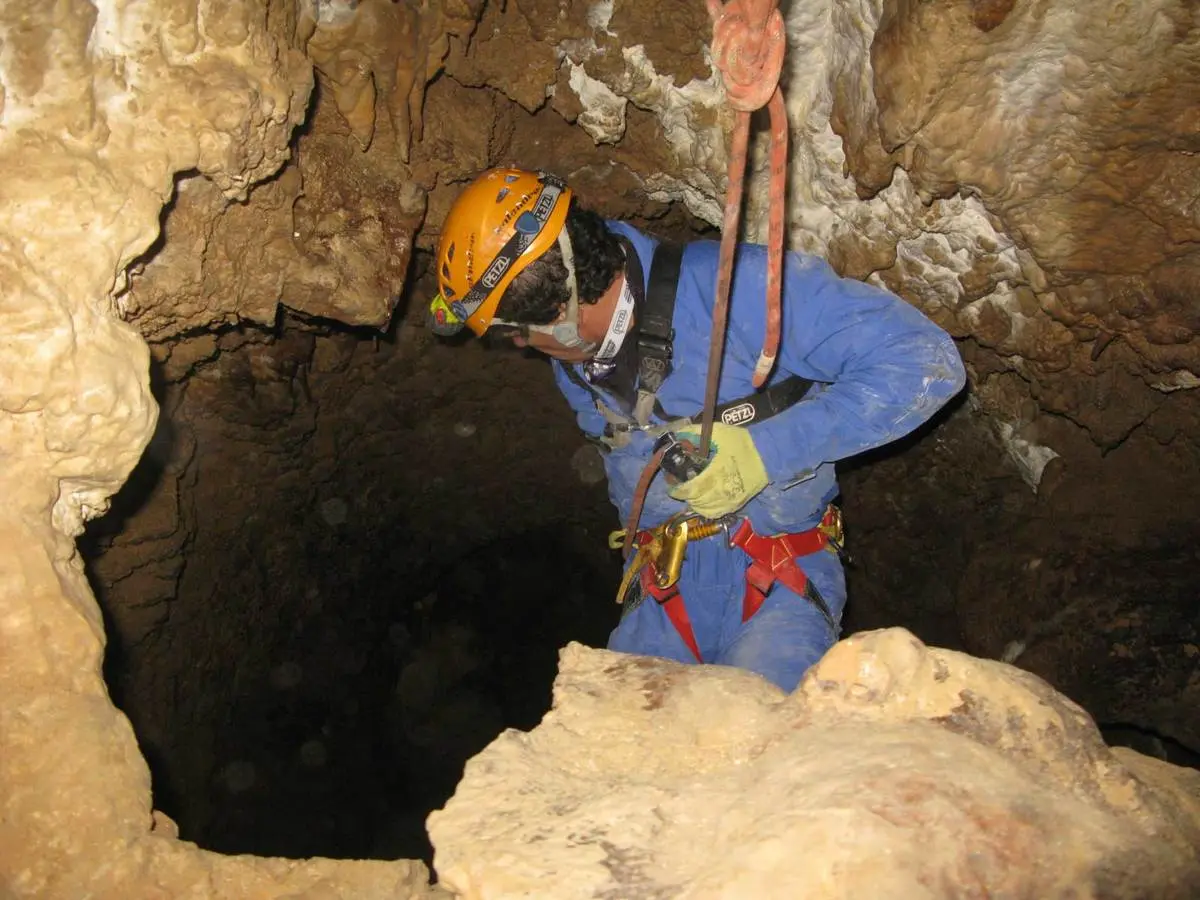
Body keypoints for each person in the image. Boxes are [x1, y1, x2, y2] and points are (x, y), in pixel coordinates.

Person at [427, 167, 966, 692]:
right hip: (662, 596)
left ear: (562, 305)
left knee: (757, 756)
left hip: (777, 579)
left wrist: (765, 451)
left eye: (519, 334)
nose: (520, 347)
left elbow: (924, 362)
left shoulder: (736, 290)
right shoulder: (573, 366)